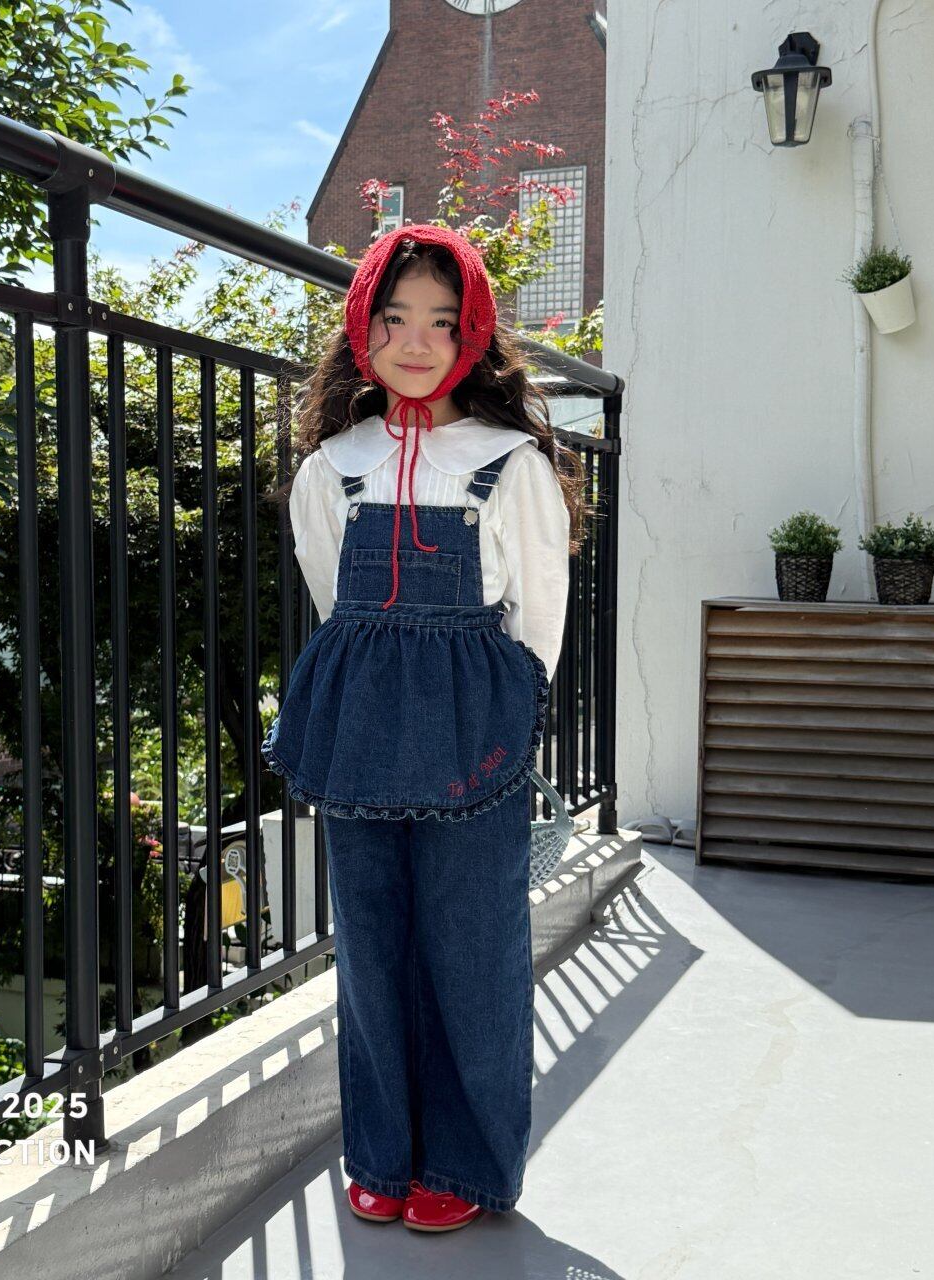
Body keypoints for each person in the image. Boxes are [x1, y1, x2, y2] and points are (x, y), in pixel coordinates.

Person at [262, 223, 585, 1232]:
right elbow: (334, 598)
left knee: (472, 941)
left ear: (471, 336)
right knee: (369, 944)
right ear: (362, 327)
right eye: (394, 317)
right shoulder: (333, 468)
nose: (415, 341)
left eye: (441, 322)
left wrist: (502, 721)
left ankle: (465, 1161)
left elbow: (539, 615)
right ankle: (382, 1153)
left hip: (472, 733)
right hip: (360, 724)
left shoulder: (508, 462)